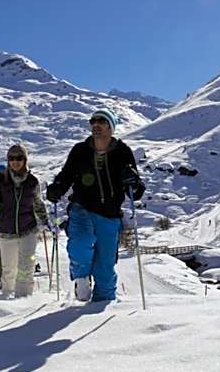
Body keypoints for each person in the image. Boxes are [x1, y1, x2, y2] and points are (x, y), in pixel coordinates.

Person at [46, 107, 145, 302]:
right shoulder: (80, 151)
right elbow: (66, 176)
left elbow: (135, 191)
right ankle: (82, 279)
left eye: (102, 121)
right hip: (82, 207)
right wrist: (56, 188)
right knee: (80, 242)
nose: (96, 125)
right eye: (93, 121)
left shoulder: (122, 152)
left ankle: (103, 304)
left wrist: (133, 182)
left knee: (105, 267)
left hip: (109, 214)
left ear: (111, 127)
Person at [0, 144, 51, 298]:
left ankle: (24, 299)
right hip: (6, 231)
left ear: (25, 160)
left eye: (19, 158)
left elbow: (38, 203)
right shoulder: (1, 180)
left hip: (28, 230)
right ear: (8, 160)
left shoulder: (32, 181)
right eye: (12, 158)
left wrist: (46, 221)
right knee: (9, 269)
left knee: (27, 267)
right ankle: (7, 297)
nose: (15, 162)